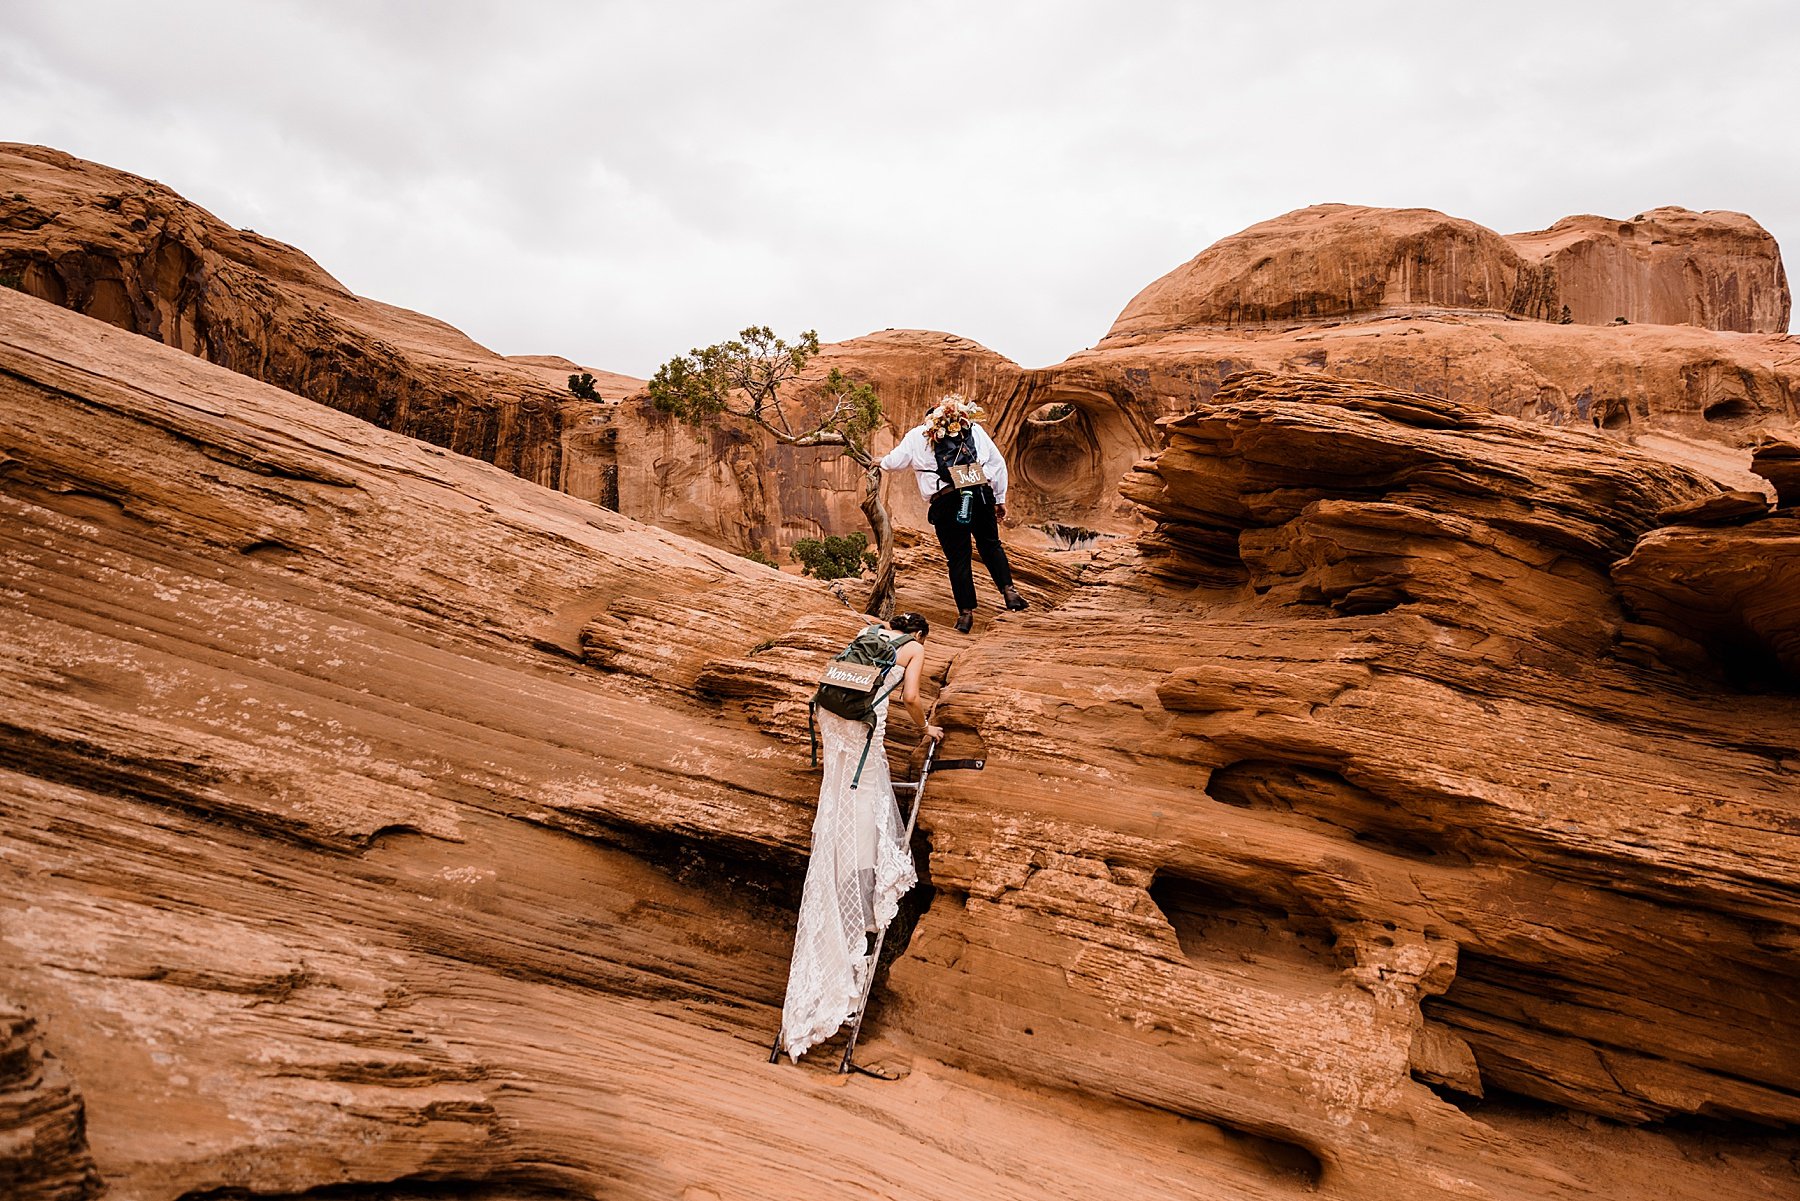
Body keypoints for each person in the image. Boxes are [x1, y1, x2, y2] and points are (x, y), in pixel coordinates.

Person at [777, 612, 942, 1063]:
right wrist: (925, 727)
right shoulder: (914, 646)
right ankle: (861, 899)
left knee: (840, 798)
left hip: (835, 724)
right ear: (921, 632)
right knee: (866, 805)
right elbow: (909, 697)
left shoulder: (866, 635)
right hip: (866, 730)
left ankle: (842, 873)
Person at [879, 393, 1028, 634]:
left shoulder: (918, 435)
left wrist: (880, 462)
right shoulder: (974, 430)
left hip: (946, 501)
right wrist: (999, 499)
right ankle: (1010, 592)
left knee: (958, 557)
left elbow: (894, 462)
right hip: (979, 494)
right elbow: (997, 464)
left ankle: (966, 615)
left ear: (930, 421)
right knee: (990, 545)